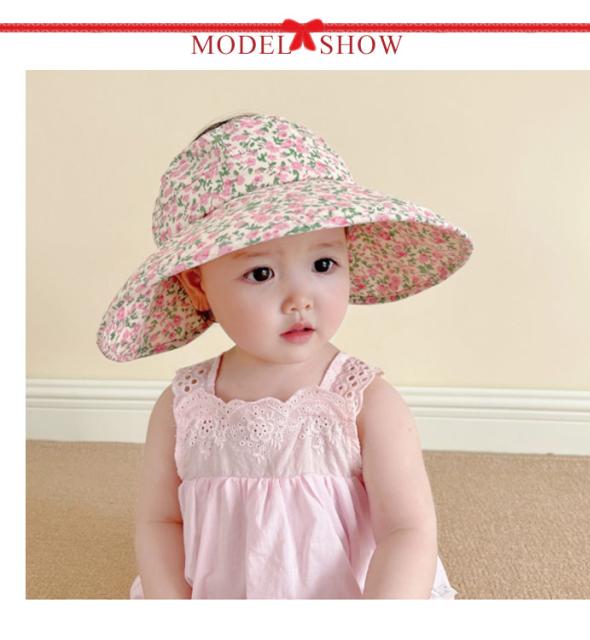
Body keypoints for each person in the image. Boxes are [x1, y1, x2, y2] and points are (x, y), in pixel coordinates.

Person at [97, 113, 473, 599]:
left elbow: (407, 530)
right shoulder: (184, 406)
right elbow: (160, 521)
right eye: (261, 274)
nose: (300, 298)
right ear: (197, 284)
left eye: (323, 263)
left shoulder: (362, 401)